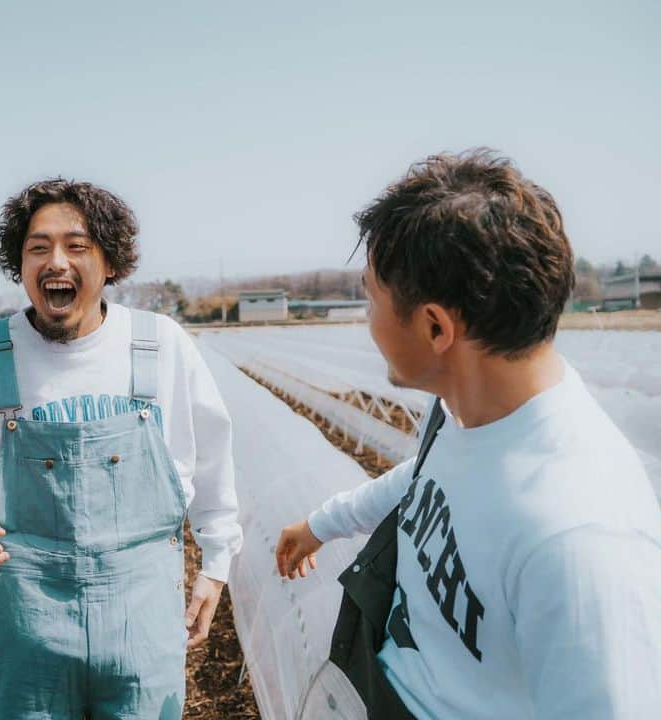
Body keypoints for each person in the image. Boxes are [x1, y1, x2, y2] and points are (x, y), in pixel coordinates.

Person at [276, 150, 661, 718]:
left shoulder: (578, 539)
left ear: (435, 327)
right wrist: (322, 524)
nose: (368, 320)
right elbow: (428, 480)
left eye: (371, 298)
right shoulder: (468, 415)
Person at [0, 178, 243, 719]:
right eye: (38, 248)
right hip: (23, 628)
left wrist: (217, 560)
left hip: (142, 623)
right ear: (20, 265)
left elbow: (212, 460)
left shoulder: (159, 345)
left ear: (111, 264)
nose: (56, 261)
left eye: (77, 246)